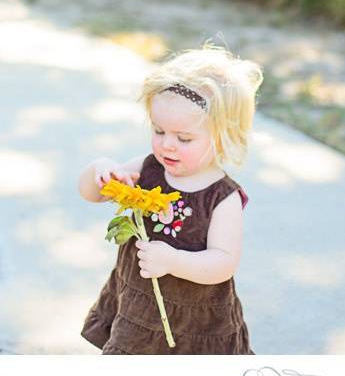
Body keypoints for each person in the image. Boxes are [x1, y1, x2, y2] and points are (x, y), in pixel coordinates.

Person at [77, 47, 262, 354]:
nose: (167, 145)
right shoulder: (149, 168)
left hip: (192, 321)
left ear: (224, 136)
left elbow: (223, 263)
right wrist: (101, 171)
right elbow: (91, 194)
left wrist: (174, 261)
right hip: (137, 305)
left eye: (184, 138)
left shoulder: (221, 198)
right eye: (159, 130)